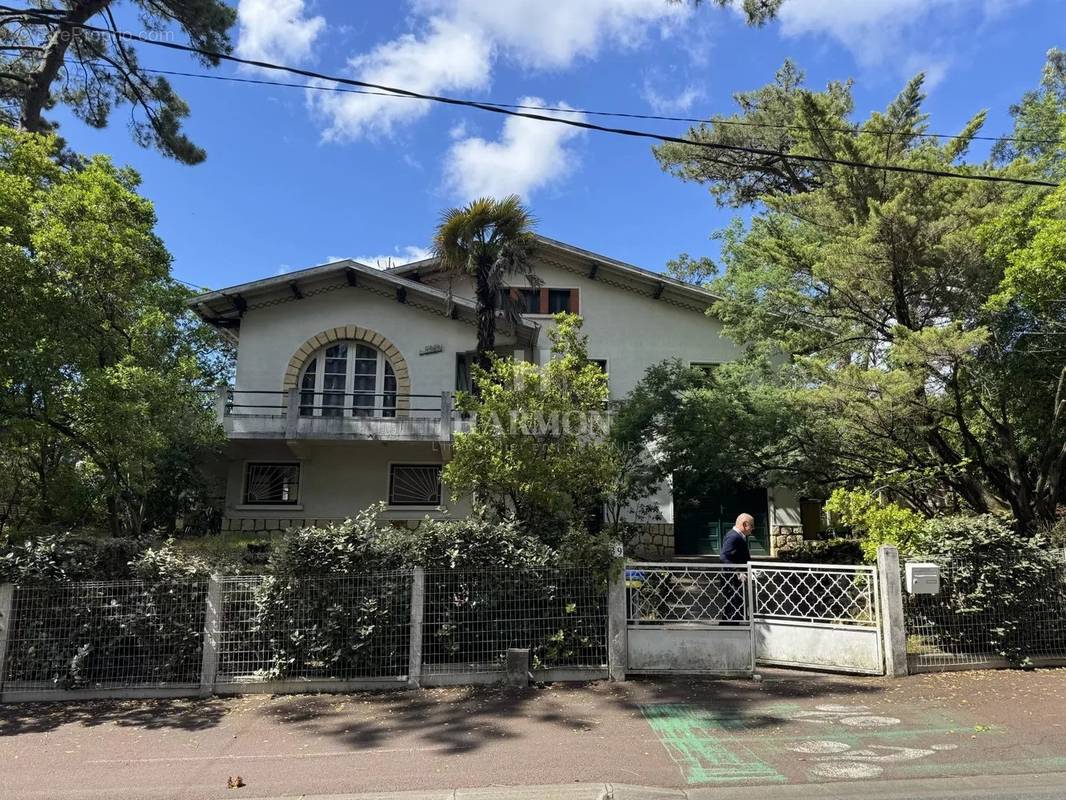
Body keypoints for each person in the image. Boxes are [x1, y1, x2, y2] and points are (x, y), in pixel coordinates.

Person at [718, 513, 754, 623]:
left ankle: (731, 630)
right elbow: (724, 556)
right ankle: (729, 632)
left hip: (734, 580)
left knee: (735, 608)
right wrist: (737, 572)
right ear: (745, 524)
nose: (753, 529)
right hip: (732, 580)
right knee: (733, 609)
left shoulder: (736, 536)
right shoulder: (733, 536)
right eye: (751, 526)